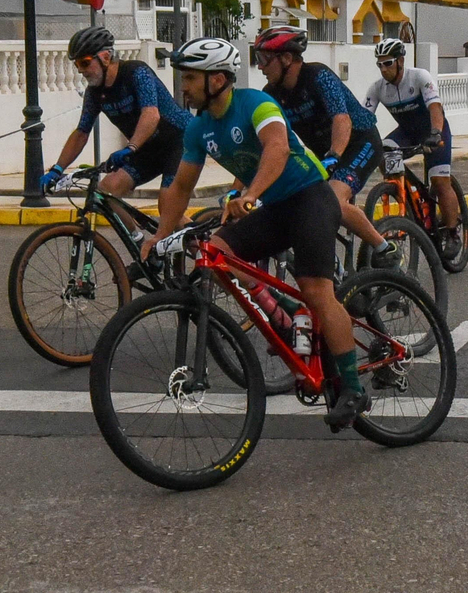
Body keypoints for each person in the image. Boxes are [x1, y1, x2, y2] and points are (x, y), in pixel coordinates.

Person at [143, 37, 368, 429]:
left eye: (190, 77)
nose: (183, 86)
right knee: (215, 254)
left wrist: (249, 196)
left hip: (310, 197)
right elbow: (180, 187)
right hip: (277, 208)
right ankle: (286, 312)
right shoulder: (198, 128)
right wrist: (159, 238)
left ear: (218, 79)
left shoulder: (256, 104)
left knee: (317, 289)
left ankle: (352, 387)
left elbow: (277, 149)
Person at [253, 26, 398, 268]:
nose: (259, 66)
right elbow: (265, 142)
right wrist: (243, 188)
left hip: (359, 143)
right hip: (325, 155)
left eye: (263, 59)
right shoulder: (271, 94)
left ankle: (385, 248)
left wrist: (334, 157)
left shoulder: (318, 76)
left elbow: (341, 119)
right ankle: (333, 266)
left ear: (287, 58)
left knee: (331, 199)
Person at [44, 27, 193, 239]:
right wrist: (57, 169)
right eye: (77, 64)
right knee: (107, 189)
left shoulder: (136, 72)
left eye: (85, 62)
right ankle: (140, 244)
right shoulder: (95, 94)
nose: (81, 70)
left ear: (105, 57)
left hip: (180, 140)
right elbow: (81, 132)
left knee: (168, 208)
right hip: (146, 149)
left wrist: (130, 148)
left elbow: (151, 115)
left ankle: (206, 254)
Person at [363, 40, 462, 256]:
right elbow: (364, 119)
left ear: (400, 61)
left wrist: (435, 133)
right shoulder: (377, 88)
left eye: (388, 63)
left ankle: (453, 233)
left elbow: (435, 108)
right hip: (407, 133)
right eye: (379, 65)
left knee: (440, 181)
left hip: (434, 131)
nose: (383, 69)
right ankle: (400, 189)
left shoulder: (419, 77)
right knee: (382, 150)